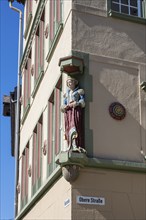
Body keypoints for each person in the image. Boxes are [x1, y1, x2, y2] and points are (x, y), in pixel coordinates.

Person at [61, 76, 85, 152]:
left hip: (75, 111)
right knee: (68, 128)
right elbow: (64, 103)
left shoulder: (79, 91)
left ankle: (75, 144)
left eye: (71, 82)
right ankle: (70, 145)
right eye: (68, 83)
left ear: (75, 82)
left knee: (75, 126)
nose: (69, 84)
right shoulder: (67, 94)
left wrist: (77, 103)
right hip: (69, 112)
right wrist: (64, 107)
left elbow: (83, 102)